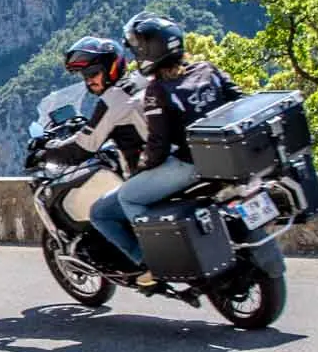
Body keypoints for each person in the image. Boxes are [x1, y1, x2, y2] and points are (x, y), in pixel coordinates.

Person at [88, 15, 242, 278]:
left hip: (188, 165)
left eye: (138, 48)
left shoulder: (158, 90)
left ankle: (152, 263)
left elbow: (158, 147)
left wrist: (141, 170)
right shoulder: (207, 69)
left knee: (127, 197)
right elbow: (239, 101)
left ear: (150, 52)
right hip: (226, 158)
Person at [44, 36, 148, 165]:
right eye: (84, 75)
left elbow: (80, 148)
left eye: (93, 73)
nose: (89, 81)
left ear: (112, 68)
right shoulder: (136, 82)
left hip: (154, 172)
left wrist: (44, 151)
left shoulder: (113, 98)